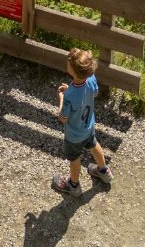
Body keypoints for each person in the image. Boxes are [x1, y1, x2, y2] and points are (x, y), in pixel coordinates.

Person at [51, 48, 113, 195]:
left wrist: (61, 98)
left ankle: (73, 185)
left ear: (72, 70)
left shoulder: (69, 95)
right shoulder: (91, 79)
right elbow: (94, 93)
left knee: (74, 158)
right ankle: (104, 171)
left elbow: (63, 118)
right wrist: (70, 89)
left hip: (74, 135)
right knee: (93, 145)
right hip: (88, 126)